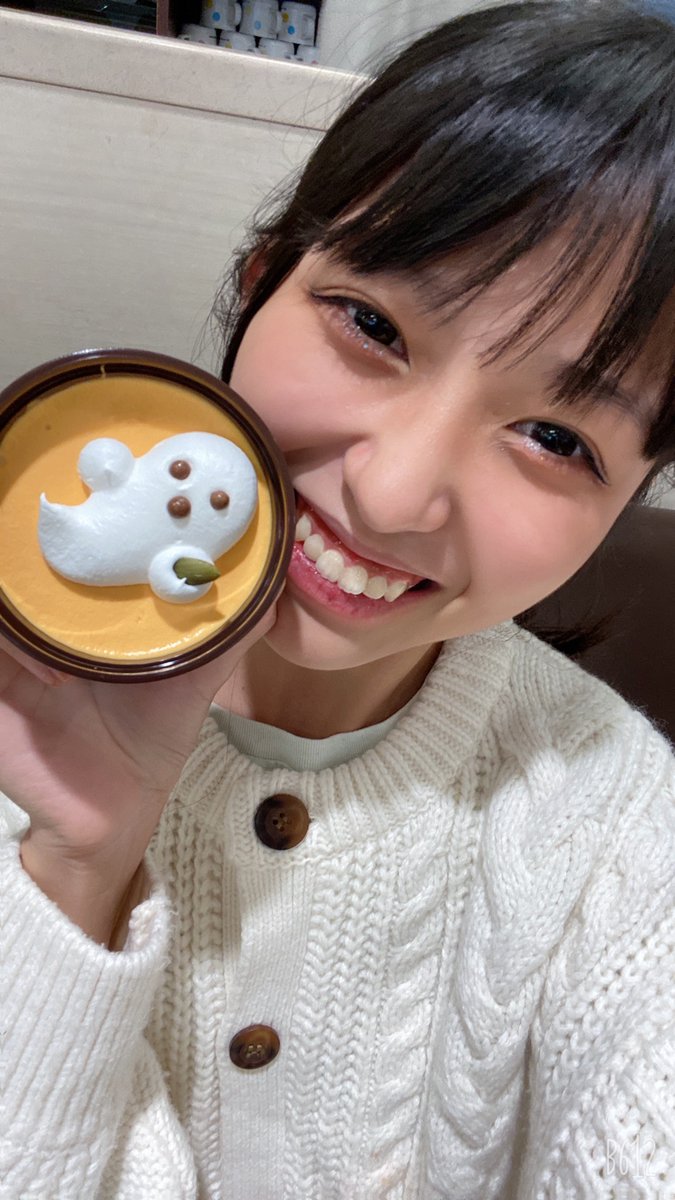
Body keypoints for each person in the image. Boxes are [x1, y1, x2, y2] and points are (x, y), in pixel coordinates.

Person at [2, 2, 674, 1196]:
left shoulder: (619, 821)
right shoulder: (22, 690)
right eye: (373, 325)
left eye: (554, 437)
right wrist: (74, 872)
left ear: (629, 498)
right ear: (262, 281)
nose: (395, 492)